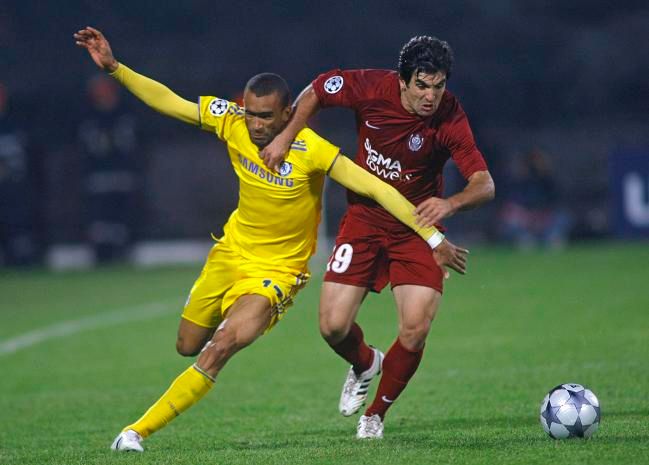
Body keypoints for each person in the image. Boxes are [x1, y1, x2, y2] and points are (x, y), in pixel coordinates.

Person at [75, 27, 468, 452]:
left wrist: (431, 237)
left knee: (221, 346)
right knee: (187, 344)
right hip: (229, 253)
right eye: (252, 115)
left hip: (277, 274)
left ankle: (135, 433)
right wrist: (116, 69)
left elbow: (379, 189)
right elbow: (171, 102)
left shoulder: (312, 150)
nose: (257, 125)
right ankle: (367, 361)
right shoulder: (231, 121)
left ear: (288, 116)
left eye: (267, 117)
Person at [261, 35, 495, 438]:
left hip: (417, 226)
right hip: (365, 219)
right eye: (422, 85)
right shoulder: (371, 87)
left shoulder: (449, 115)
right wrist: (286, 136)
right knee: (333, 327)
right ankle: (366, 362)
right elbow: (318, 88)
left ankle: (375, 415)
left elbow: (484, 184)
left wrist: (450, 204)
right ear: (403, 81)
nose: (431, 96)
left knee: (416, 328)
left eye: (438, 86)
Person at [78, 73, 141, 263]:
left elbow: (135, 146)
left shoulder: (125, 114)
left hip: (123, 177)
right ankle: (102, 256)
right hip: (97, 179)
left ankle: (124, 254)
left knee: (123, 219)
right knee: (100, 222)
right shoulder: (88, 118)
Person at [500, 148, 571, 249]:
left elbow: (556, 201)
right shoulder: (518, 182)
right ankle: (524, 239)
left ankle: (552, 238)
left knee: (563, 217)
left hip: (546, 217)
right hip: (525, 218)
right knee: (511, 218)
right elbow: (513, 203)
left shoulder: (548, 181)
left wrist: (543, 215)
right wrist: (527, 216)